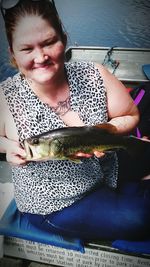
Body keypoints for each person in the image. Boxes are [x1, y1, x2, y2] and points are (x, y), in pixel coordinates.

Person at [0, 0, 150, 241]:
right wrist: (8, 148)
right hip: (58, 204)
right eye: (27, 49)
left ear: (64, 38)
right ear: (13, 53)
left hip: (107, 170)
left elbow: (131, 114)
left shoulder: (94, 74)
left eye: (49, 42)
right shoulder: (5, 97)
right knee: (142, 217)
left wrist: (109, 130)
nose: (41, 57)